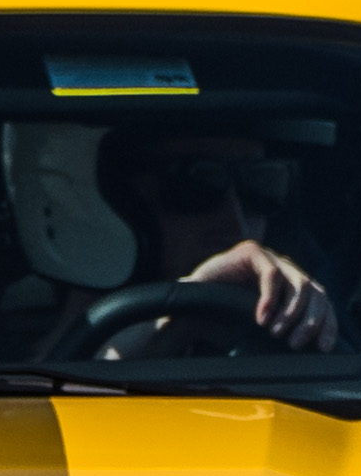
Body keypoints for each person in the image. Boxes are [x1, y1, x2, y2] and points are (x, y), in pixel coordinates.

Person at [112, 126, 342, 352]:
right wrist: (167, 323)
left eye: (260, 185)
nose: (238, 231)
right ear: (121, 199)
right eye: (196, 186)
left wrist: (309, 323)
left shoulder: (303, 329)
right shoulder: (82, 305)